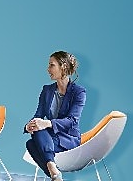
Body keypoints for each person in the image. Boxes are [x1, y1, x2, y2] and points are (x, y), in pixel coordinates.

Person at [26, 51, 86, 181]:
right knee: (31, 141)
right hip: (50, 138)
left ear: (63, 67)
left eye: (51, 65)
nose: (48, 69)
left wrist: (47, 123)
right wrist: (29, 125)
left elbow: (72, 120)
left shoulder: (79, 92)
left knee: (34, 142)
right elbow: (38, 115)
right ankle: (54, 173)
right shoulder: (47, 90)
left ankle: (53, 171)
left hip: (68, 138)